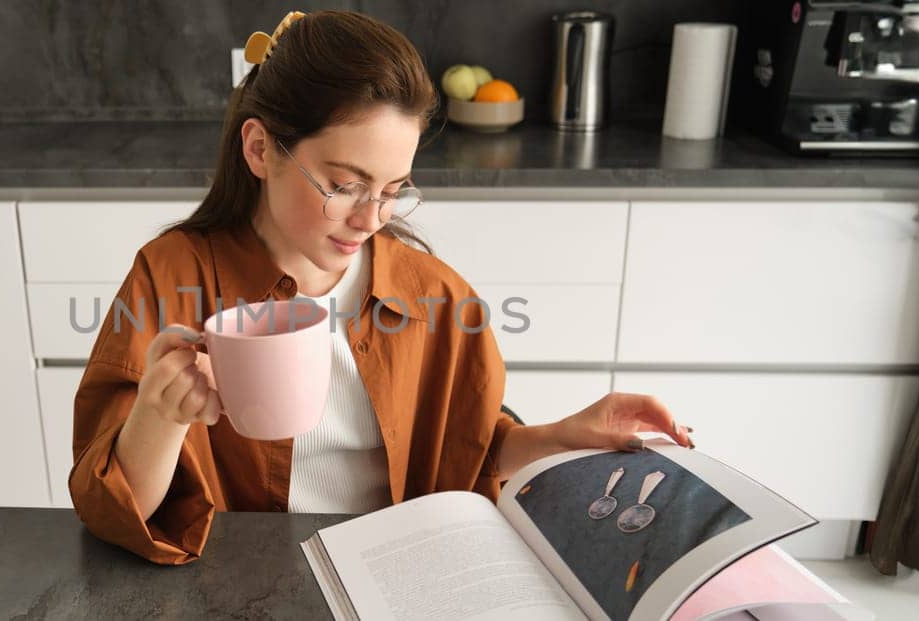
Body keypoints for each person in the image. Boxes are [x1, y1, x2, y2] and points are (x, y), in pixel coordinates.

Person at [70, 10, 694, 565]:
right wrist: (159, 414)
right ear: (260, 149)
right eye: (343, 185)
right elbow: (111, 510)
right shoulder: (170, 277)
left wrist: (560, 439)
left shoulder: (436, 295)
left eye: (393, 191)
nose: (371, 219)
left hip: (397, 573)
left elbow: (466, 457)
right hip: (240, 582)